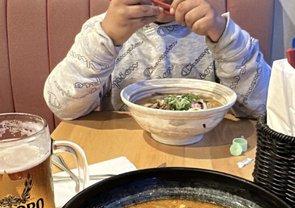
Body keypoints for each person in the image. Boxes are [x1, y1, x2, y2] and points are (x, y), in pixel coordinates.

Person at [44, 0, 270, 120]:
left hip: (204, 152)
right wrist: (107, 37)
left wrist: (223, 34)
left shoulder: (216, 31)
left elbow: (262, 108)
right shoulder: (103, 30)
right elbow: (62, 106)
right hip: (125, 158)